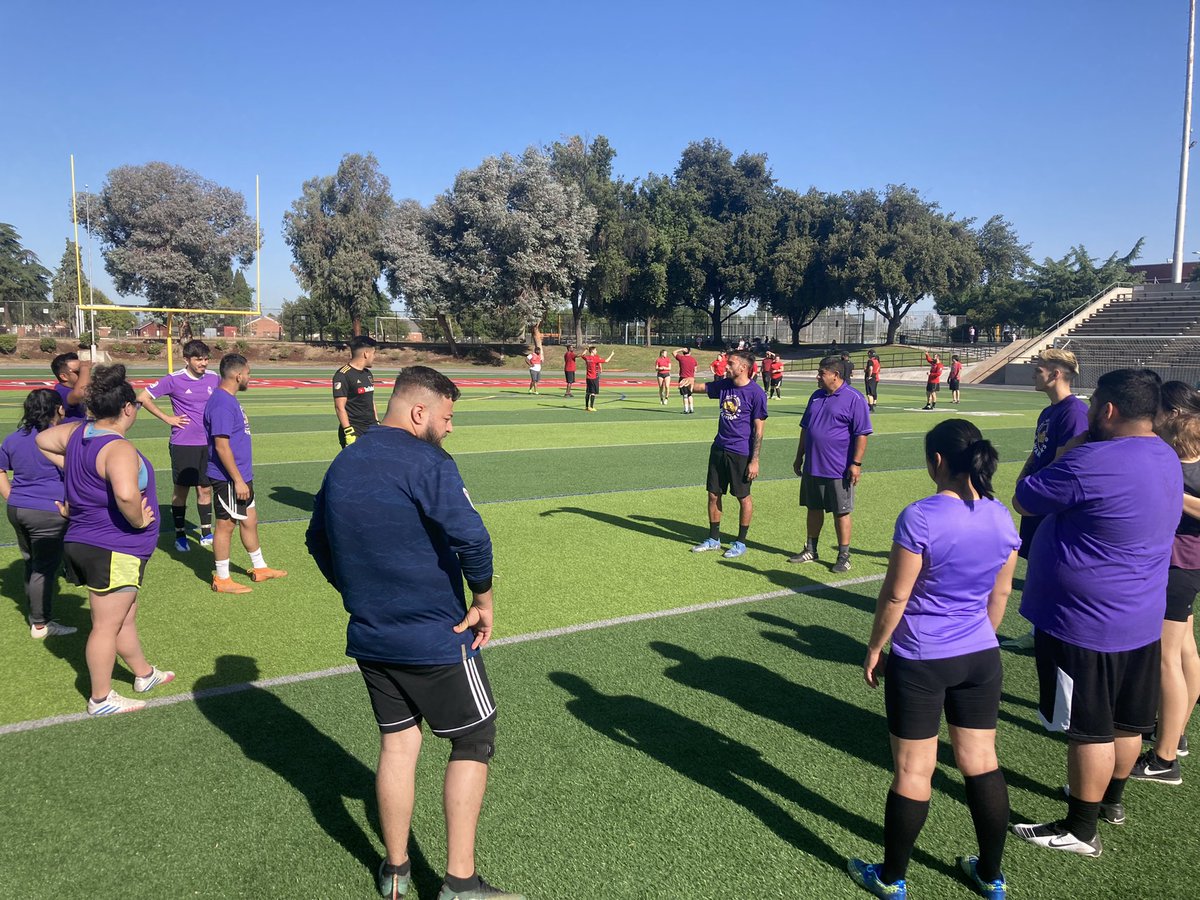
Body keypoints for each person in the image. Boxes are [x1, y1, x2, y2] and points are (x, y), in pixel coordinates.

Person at [306, 366, 525, 900]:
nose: (449, 428)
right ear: (419, 411)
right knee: (474, 739)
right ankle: (460, 883)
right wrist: (483, 600)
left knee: (399, 743)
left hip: (371, 636)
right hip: (434, 634)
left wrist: (355, 591)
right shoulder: (429, 461)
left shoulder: (344, 461)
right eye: (446, 417)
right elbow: (473, 537)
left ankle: (397, 871)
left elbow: (316, 540)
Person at [1011, 368, 1181, 857]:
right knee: (1127, 722)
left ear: (1108, 410)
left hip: (1086, 619)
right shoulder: (1165, 454)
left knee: (1089, 728)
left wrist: (1067, 451)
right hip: (1141, 614)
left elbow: (1024, 497)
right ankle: (1110, 801)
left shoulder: (1090, 461)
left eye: (1092, 406)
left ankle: (1080, 828)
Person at [849, 420, 1019, 900]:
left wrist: (875, 647)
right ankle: (990, 875)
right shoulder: (1000, 516)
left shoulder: (920, 516)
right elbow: (1001, 592)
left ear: (937, 461)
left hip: (922, 659)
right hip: (980, 655)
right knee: (982, 762)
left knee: (912, 771)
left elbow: (896, 595)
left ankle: (891, 878)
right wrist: (979, 636)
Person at [36, 365, 173, 716]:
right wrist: (139, 519)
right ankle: (100, 698)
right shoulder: (118, 448)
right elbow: (127, 495)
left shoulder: (79, 434)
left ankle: (144, 674)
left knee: (125, 616)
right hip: (113, 547)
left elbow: (42, 440)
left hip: (89, 542)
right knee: (106, 626)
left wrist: (74, 468)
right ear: (127, 408)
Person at [1131, 381, 1200, 784]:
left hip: (1179, 565)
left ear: (1173, 414)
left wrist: (1171, 490)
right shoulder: (1177, 454)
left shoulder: (1184, 462)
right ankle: (1176, 732)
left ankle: (1163, 759)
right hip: (1182, 563)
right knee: (1186, 648)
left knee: (1166, 657)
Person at [1001, 349, 1089, 651]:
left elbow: (1065, 462)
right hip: (1037, 497)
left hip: (1051, 502)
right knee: (1039, 565)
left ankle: (1051, 632)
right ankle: (1039, 630)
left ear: (1056, 374)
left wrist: (1036, 488)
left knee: (1052, 568)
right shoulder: (1049, 411)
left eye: (1039, 369)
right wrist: (1023, 479)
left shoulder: (1074, 413)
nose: (1034, 374)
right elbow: (1038, 451)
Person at [204, 354, 287, 594]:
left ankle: (259, 567)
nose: (250, 378)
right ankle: (222, 578)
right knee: (226, 524)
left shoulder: (229, 399)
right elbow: (221, 446)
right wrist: (238, 480)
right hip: (229, 478)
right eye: (249, 374)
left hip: (241, 474)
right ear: (238, 375)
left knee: (250, 520)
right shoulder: (221, 403)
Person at [789, 356, 872, 573]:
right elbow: (806, 428)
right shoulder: (816, 396)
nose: (817, 377)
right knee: (813, 508)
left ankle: (844, 556)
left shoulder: (854, 398)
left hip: (838, 468)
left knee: (841, 512)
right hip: (813, 465)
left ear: (835, 375)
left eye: (821, 373)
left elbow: (862, 434)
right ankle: (811, 549)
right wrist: (799, 456)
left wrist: (856, 463)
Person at [0, 389, 72, 638]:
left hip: (17, 508)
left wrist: (9, 494)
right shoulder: (58, 437)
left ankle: (36, 615)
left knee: (31, 562)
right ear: (58, 409)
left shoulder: (13, 438)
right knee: (43, 567)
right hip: (48, 510)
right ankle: (40, 624)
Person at [138, 339, 219, 552]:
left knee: (205, 488)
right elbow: (143, 398)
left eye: (206, 359)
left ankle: (206, 532)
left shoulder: (213, 378)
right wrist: (168, 418)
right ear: (186, 360)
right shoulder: (174, 380)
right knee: (181, 489)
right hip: (183, 443)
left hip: (208, 443)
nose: (203, 363)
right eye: (198, 359)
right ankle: (180, 535)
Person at [691, 350, 768, 560]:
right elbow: (703, 388)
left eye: (731, 363)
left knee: (743, 497)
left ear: (743, 368)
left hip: (740, 452)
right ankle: (714, 539)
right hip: (719, 448)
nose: (726, 366)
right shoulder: (725, 385)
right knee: (713, 494)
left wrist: (755, 460)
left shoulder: (756, 393)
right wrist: (688, 383)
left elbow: (759, 430)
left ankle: (740, 542)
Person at [332, 335, 379, 448]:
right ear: (366, 354)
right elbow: (339, 407)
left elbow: (370, 400)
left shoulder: (368, 374)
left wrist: (377, 422)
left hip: (371, 428)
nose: (374, 357)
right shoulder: (342, 375)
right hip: (355, 430)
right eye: (373, 353)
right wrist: (349, 432)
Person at [50, 352, 91, 422]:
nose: (83, 374)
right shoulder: (60, 392)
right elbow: (81, 392)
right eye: (78, 371)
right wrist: (85, 368)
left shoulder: (73, 388)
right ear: (64, 377)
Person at [580, 345, 613, 413]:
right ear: (592, 351)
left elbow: (582, 355)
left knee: (588, 392)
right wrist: (611, 355)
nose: (596, 351)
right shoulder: (595, 358)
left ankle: (586, 406)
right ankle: (591, 407)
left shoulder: (587, 357)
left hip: (588, 377)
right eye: (595, 350)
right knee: (593, 392)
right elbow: (606, 361)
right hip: (594, 377)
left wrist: (586, 349)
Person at [674, 347, 698, 414]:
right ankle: (691, 409)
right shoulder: (693, 359)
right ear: (690, 352)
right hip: (691, 378)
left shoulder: (681, 358)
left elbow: (674, 352)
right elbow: (695, 369)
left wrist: (681, 349)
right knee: (690, 394)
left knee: (685, 395)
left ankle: (686, 409)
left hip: (683, 378)